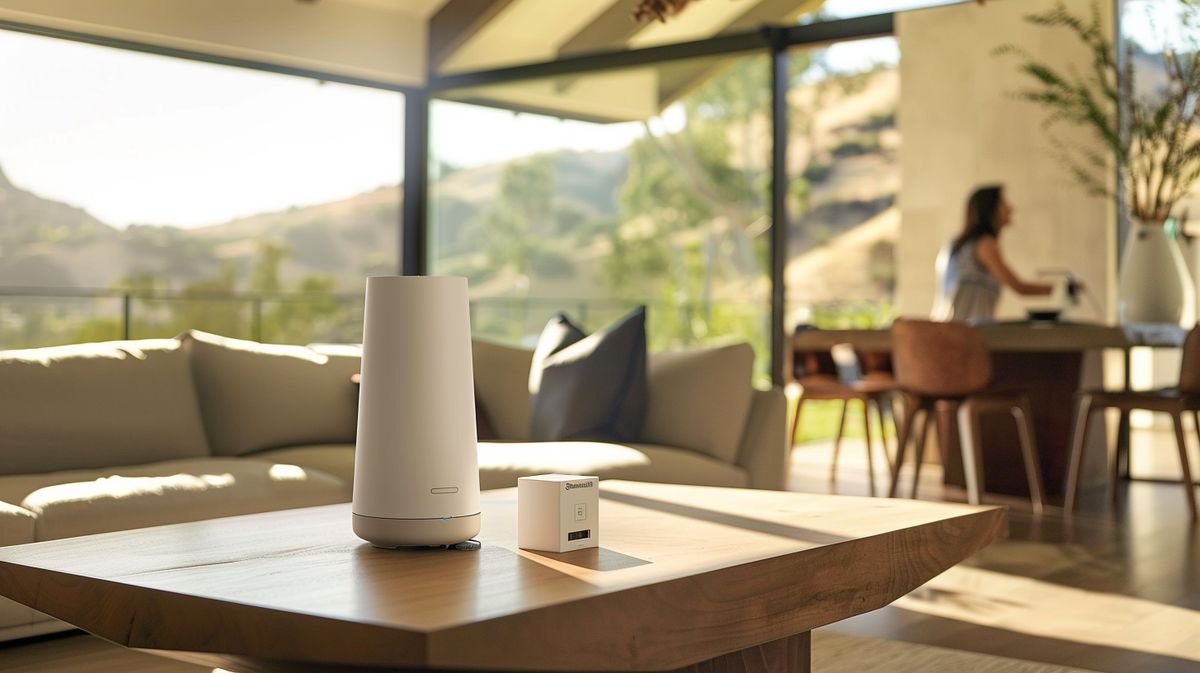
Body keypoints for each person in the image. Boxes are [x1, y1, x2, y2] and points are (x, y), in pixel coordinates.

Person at [933, 185, 1054, 322]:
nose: (1010, 208)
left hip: (949, 328)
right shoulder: (984, 245)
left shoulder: (958, 244)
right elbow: (1019, 287)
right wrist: (1061, 289)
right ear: (990, 209)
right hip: (966, 332)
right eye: (1003, 203)